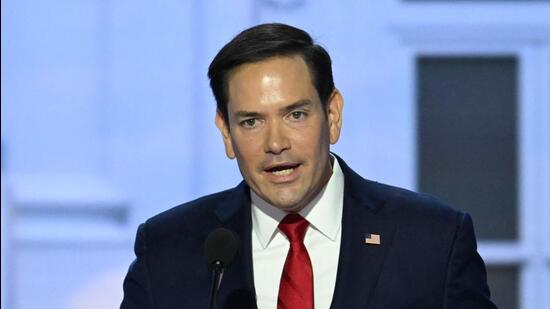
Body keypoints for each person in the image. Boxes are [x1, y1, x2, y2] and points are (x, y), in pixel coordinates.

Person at [121, 23, 497, 309]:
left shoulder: (432, 240)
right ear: (225, 131)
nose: (275, 143)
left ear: (332, 115)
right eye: (251, 121)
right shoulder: (168, 250)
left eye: (296, 114)